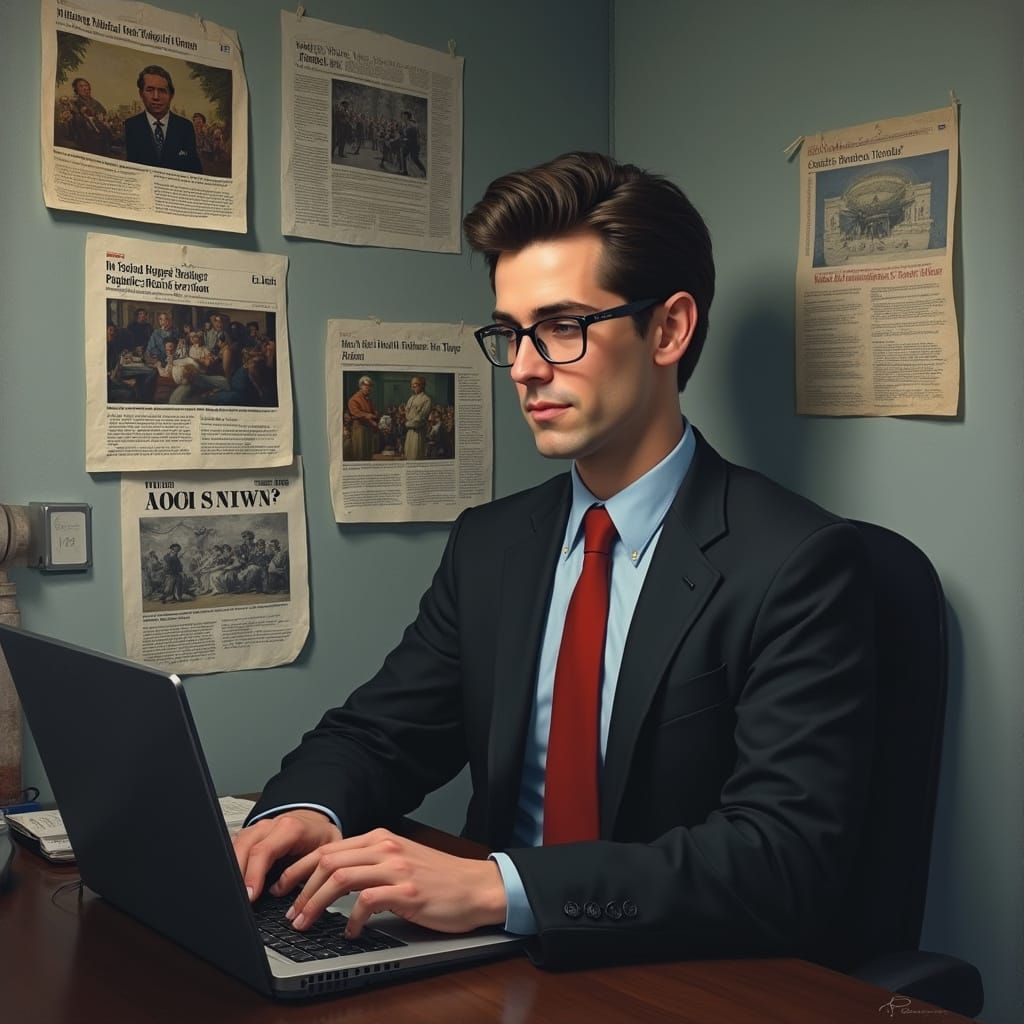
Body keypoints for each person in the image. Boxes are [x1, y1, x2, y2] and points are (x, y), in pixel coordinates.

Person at [234, 152, 875, 969]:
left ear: (669, 329)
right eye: (510, 333)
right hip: (483, 965)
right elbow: (381, 732)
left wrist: (499, 889)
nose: (527, 366)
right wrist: (301, 813)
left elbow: (782, 857)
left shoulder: (800, 563)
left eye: (564, 327)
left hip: (673, 976)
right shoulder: (492, 543)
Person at [123, 65, 203, 174]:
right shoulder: (130, 126)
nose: (156, 96)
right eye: (150, 90)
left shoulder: (185, 127)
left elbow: (194, 169)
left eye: (162, 91)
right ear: (141, 94)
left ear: (171, 95)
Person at [346, 375, 378, 461]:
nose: (368, 388)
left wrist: (374, 415)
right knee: (360, 454)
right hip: (359, 428)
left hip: (368, 428)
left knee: (367, 454)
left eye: (370, 386)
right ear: (360, 386)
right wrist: (369, 416)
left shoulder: (368, 399)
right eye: (366, 386)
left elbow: (373, 411)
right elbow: (356, 413)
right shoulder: (354, 399)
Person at [402, 376, 432, 460]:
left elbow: (420, 419)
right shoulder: (411, 398)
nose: (413, 387)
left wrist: (407, 423)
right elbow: (407, 415)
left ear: (422, 385)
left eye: (415, 384)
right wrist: (408, 419)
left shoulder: (426, 399)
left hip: (418, 433)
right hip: (409, 432)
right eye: (412, 385)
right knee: (408, 454)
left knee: (416, 456)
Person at [399, 110, 426, 177]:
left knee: (415, 159)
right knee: (403, 154)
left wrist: (405, 138)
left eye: (404, 116)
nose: (403, 117)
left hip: (414, 145)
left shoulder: (412, 124)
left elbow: (413, 136)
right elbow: (403, 134)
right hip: (408, 144)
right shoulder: (404, 124)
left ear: (407, 117)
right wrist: (403, 138)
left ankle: (423, 171)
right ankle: (405, 171)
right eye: (402, 116)